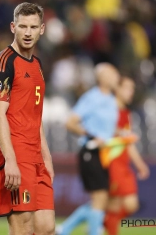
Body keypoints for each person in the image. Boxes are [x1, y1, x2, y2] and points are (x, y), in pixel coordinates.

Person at [0, 2, 55, 235]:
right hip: (15, 153)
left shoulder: (37, 64)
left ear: (42, 29)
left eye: (33, 27)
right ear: (13, 27)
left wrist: (45, 156)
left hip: (36, 156)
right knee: (22, 227)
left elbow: (35, 114)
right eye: (23, 26)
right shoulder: (4, 63)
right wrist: (10, 161)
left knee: (46, 227)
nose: (28, 32)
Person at [56, 63, 120, 235]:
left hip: (105, 153)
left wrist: (121, 134)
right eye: (113, 74)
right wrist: (91, 135)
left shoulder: (112, 100)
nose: (117, 78)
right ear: (103, 78)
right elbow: (70, 123)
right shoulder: (92, 97)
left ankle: (64, 230)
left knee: (102, 199)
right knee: (99, 197)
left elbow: (108, 130)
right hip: (90, 152)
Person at [104, 76, 150, 235]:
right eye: (128, 88)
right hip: (112, 162)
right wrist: (121, 133)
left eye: (132, 89)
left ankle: (102, 220)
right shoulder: (109, 110)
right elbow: (101, 132)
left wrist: (139, 164)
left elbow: (127, 142)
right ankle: (105, 223)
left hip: (123, 164)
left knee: (131, 205)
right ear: (117, 89)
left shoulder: (125, 112)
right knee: (115, 205)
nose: (131, 92)